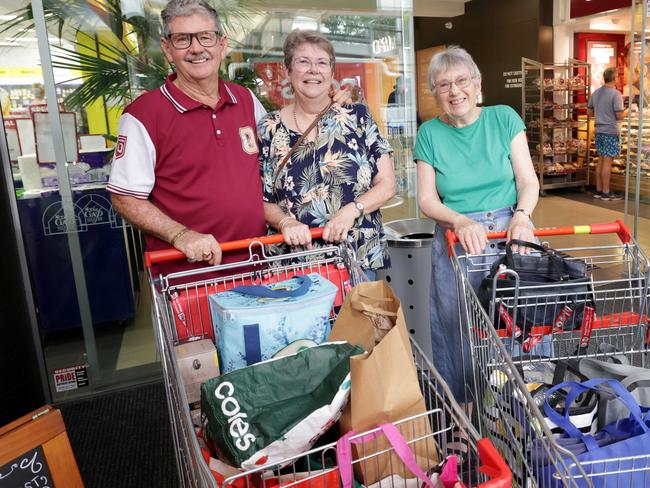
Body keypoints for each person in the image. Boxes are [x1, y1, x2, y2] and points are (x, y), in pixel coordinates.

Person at [413, 46, 541, 404]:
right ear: (434, 93)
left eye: (461, 80)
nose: (454, 91)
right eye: (443, 85)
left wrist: (522, 215)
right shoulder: (430, 134)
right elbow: (427, 200)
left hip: (509, 231)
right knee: (456, 327)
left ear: (477, 82)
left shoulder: (504, 118)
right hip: (456, 237)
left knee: (521, 322)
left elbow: (527, 181)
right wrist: (459, 220)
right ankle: (463, 415)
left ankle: (525, 405)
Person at [258, 30, 396, 280]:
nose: (313, 70)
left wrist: (350, 211)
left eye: (322, 63)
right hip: (293, 264)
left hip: (355, 258)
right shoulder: (268, 127)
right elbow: (260, 199)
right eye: (303, 62)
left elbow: (387, 185)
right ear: (288, 71)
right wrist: (285, 223)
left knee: (358, 321)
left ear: (331, 73)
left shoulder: (358, 118)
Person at [588, 67, 626, 201]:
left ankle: (598, 190)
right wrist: (629, 111)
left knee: (601, 159)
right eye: (618, 76)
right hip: (610, 131)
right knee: (607, 162)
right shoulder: (616, 94)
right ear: (614, 78)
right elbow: (620, 116)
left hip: (598, 131)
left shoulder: (596, 93)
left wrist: (601, 114)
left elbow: (589, 113)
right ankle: (606, 192)